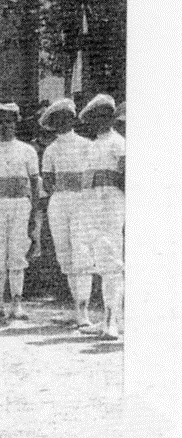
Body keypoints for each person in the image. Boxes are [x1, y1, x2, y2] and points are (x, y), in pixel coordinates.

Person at [0, 103, 42, 322]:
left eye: (9, 122)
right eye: (0, 122)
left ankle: (17, 304)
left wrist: (33, 212)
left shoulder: (27, 150)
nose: (5, 126)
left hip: (20, 205)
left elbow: (34, 183)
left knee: (17, 251)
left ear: (16, 124)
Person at [37, 98, 94, 328]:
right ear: (52, 122)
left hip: (82, 202)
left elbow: (92, 177)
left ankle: (85, 312)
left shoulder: (87, 145)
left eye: (66, 118)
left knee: (81, 254)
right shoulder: (50, 149)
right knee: (66, 255)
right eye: (57, 119)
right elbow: (48, 182)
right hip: (59, 203)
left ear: (73, 119)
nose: (62, 122)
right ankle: (76, 307)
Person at [78, 94, 124, 339]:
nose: (100, 121)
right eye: (95, 117)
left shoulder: (118, 143)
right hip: (92, 207)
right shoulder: (92, 145)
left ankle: (112, 321)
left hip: (111, 206)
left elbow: (127, 178)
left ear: (111, 117)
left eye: (105, 116)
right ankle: (107, 317)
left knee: (112, 261)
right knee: (101, 262)